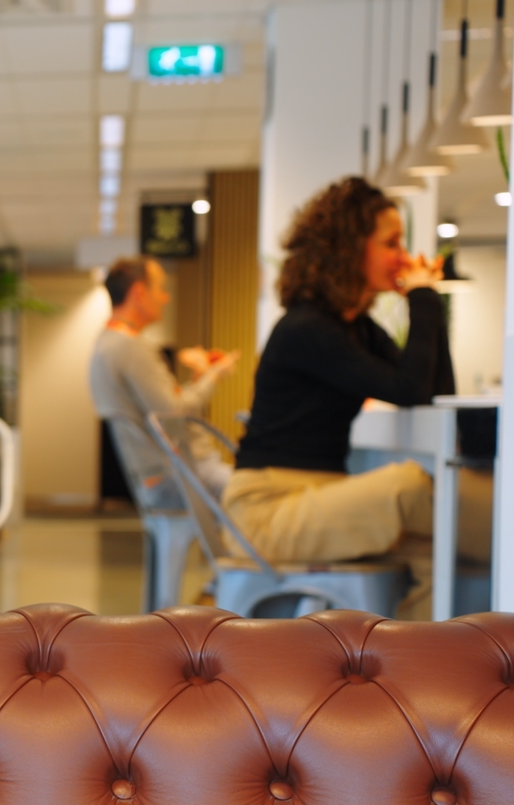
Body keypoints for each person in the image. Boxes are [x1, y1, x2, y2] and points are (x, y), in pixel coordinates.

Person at [225, 176, 486, 617]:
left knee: (435, 551)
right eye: (391, 243)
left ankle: (416, 655)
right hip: (266, 512)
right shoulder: (308, 328)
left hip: (313, 496)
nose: (402, 256)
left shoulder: (358, 329)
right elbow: (407, 390)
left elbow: (431, 394)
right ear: (350, 247)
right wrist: (422, 296)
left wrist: (428, 302)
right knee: (407, 487)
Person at [88, 257, 236, 499]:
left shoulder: (106, 344)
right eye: (160, 288)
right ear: (139, 292)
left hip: (160, 474)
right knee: (261, 495)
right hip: (181, 472)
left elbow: (163, 405)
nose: (165, 298)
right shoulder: (130, 347)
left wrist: (200, 375)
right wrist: (213, 375)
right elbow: (173, 412)